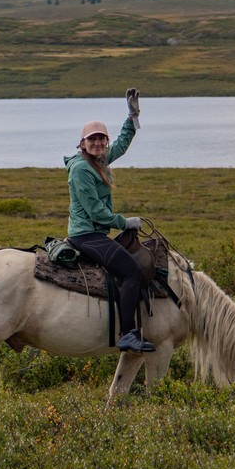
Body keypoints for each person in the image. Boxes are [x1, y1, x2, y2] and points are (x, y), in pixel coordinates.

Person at [64, 88, 155, 353]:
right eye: (92, 139)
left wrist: (132, 115)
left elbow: (122, 145)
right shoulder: (81, 169)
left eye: (101, 139)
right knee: (132, 271)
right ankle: (127, 333)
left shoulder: (99, 160)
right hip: (86, 235)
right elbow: (95, 212)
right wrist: (125, 222)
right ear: (82, 143)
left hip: (95, 234)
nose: (98, 143)